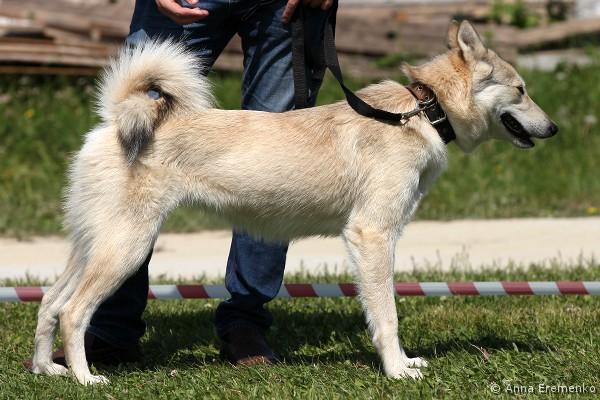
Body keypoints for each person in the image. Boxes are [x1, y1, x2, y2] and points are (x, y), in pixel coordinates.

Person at [26, 0, 334, 369]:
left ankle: (246, 323)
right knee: (133, 117)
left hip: (281, 7)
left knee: (276, 167)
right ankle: (108, 328)